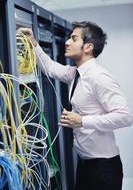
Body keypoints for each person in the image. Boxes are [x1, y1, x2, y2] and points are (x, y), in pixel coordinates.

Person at [18, 21, 132, 190]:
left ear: (88, 47)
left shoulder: (99, 77)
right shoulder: (75, 74)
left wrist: (82, 121)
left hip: (103, 169)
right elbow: (50, 68)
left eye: (74, 38)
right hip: (86, 165)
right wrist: (34, 44)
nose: (67, 42)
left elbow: (125, 116)